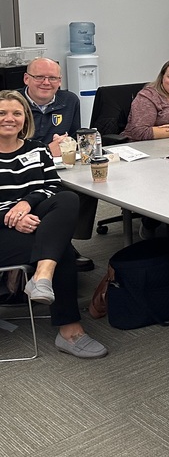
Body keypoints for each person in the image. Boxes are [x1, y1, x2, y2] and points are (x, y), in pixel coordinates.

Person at [0, 90, 107, 358]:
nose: (9, 118)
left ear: (25, 119)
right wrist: (11, 217)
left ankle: (41, 276)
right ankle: (70, 331)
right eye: (2, 113)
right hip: (3, 229)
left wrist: (26, 204)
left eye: (16, 113)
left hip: (36, 219)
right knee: (61, 250)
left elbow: (51, 186)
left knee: (68, 198)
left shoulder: (36, 148)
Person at [22, 58, 94, 272]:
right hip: (22, 171)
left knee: (90, 185)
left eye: (52, 78)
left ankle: (65, 240)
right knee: (61, 195)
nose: (46, 82)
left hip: (60, 165)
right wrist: (46, 151)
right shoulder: (11, 104)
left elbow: (73, 136)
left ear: (60, 81)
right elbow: (7, 149)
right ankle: (58, 247)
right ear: (26, 79)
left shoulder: (69, 100)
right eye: (39, 77)